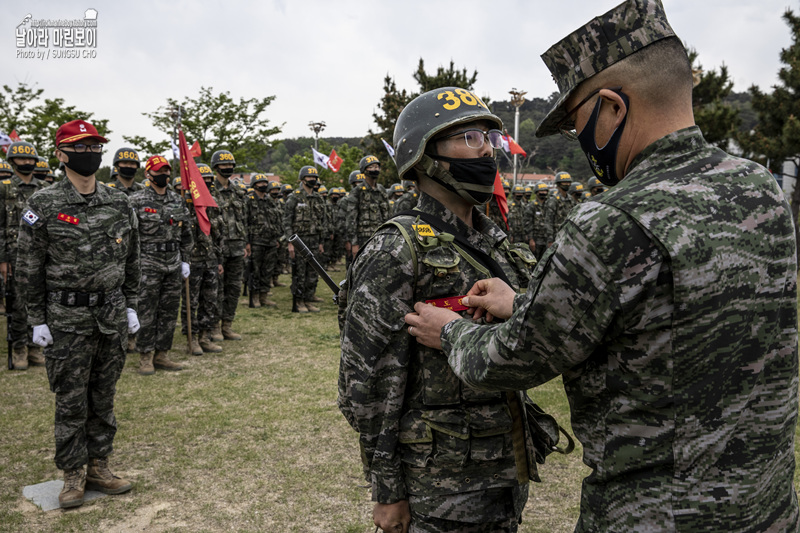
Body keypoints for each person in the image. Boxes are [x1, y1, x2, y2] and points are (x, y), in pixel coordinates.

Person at [404, 1, 799, 531]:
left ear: (611, 107)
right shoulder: (757, 187)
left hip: (658, 513)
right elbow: (666, 322)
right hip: (766, 503)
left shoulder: (613, 218)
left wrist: (450, 331)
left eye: (576, 125)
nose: (579, 140)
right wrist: (522, 303)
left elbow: (514, 359)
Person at [339, 87, 538, 533]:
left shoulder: (495, 243)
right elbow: (365, 384)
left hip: (503, 471)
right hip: (440, 488)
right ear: (424, 155)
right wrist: (387, 489)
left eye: (488, 137)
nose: (486, 150)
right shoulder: (396, 250)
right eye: (468, 137)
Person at [17, 119, 140, 508]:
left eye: (95, 146)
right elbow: (28, 266)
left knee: (103, 396)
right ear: (61, 154)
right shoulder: (43, 203)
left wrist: (132, 302)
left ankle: (100, 465)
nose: (90, 153)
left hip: (110, 314)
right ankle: (73, 473)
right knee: (71, 400)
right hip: (66, 318)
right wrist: (36, 318)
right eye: (81, 147)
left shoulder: (119, 201)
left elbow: (132, 258)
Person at [129, 156, 193, 374]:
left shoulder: (177, 200)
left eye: (166, 171)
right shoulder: (136, 201)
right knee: (147, 311)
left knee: (168, 311)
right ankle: (145, 356)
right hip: (147, 264)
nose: (164, 175)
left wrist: (186, 260)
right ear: (148, 174)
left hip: (173, 263)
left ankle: (162, 354)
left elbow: (186, 234)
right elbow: (129, 236)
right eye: (158, 171)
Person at [1, 140, 48, 369]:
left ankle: (34, 347)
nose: (27, 162)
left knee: (38, 301)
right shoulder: (4, 187)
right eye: (22, 159)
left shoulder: (45, 189)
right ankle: (19, 348)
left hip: (41, 255)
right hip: (14, 256)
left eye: (30, 158)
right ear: (12, 161)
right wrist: (2, 258)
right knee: (18, 305)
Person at [209, 150, 249, 340]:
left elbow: (244, 218)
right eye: (224, 165)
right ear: (216, 167)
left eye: (230, 165)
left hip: (237, 245)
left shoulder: (238, 191)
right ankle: (215, 326)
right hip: (218, 246)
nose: (228, 168)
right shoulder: (209, 191)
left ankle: (227, 325)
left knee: (234, 288)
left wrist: (246, 242)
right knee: (217, 288)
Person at [283, 166, 326, 313]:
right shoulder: (294, 197)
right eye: (309, 177)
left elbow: (322, 221)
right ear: (302, 179)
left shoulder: (319, 198)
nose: (312, 179)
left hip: (314, 240)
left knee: (312, 272)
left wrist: (321, 242)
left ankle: (309, 299)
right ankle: (299, 301)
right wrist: (290, 242)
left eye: (314, 177)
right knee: (299, 273)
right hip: (298, 241)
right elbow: (287, 221)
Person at [246, 174, 282, 308]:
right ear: (254, 184)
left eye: (264, 182)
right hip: (256, 241)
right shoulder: (249, 201)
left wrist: (277, 238)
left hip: (271, 241)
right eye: (260, 183)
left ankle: (264, 296)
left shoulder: (270, 201)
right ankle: (254, 297)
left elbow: (276, 220)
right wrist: (247, 242)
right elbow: (244, 222)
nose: (263, 185)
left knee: (268, 270)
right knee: (255, 271)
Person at [345, 155, 391, 257]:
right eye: (371, 167)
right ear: (364, 170)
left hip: (380, 236)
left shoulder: (382, 190)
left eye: (377, 167)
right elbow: (351, 219)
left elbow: (388, 215)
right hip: (363, 238)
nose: (375, 169)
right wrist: (354, 243)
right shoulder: (357, 191)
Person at [523, 182, 549, 260]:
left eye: (545, 191)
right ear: (536, 192)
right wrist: (531, 239)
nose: (543, 193)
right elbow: (528, 223)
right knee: (534, 261)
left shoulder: (549, 204)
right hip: (536, 239)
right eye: (541, 191)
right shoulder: (531, 206)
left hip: (547, 239)